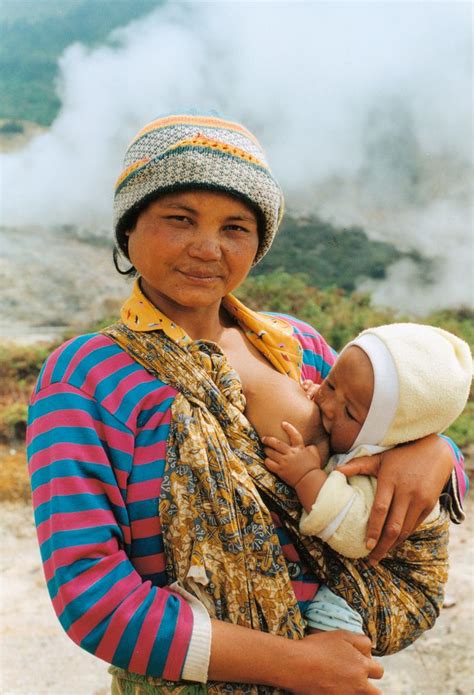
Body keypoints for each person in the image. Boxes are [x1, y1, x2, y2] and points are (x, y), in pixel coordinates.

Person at [26, 112, 468, 695]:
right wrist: (294, 665)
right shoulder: (86, 378)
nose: (207, 248)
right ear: (128, 227)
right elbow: (92, 595)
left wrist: (436, 451)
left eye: (236, 227)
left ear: (259, 244)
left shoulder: (299, 347)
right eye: (178, 218)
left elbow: (385, 429)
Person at [261, 322, 471, 635]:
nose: (328, 407)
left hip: (392, 579)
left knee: (333, 615)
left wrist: (306, 475)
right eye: (330, 385)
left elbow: (354, 532)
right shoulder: (361, 394)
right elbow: (346, 393)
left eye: (350, 414)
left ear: (391, 432)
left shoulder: (380, 470)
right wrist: (318, 390)